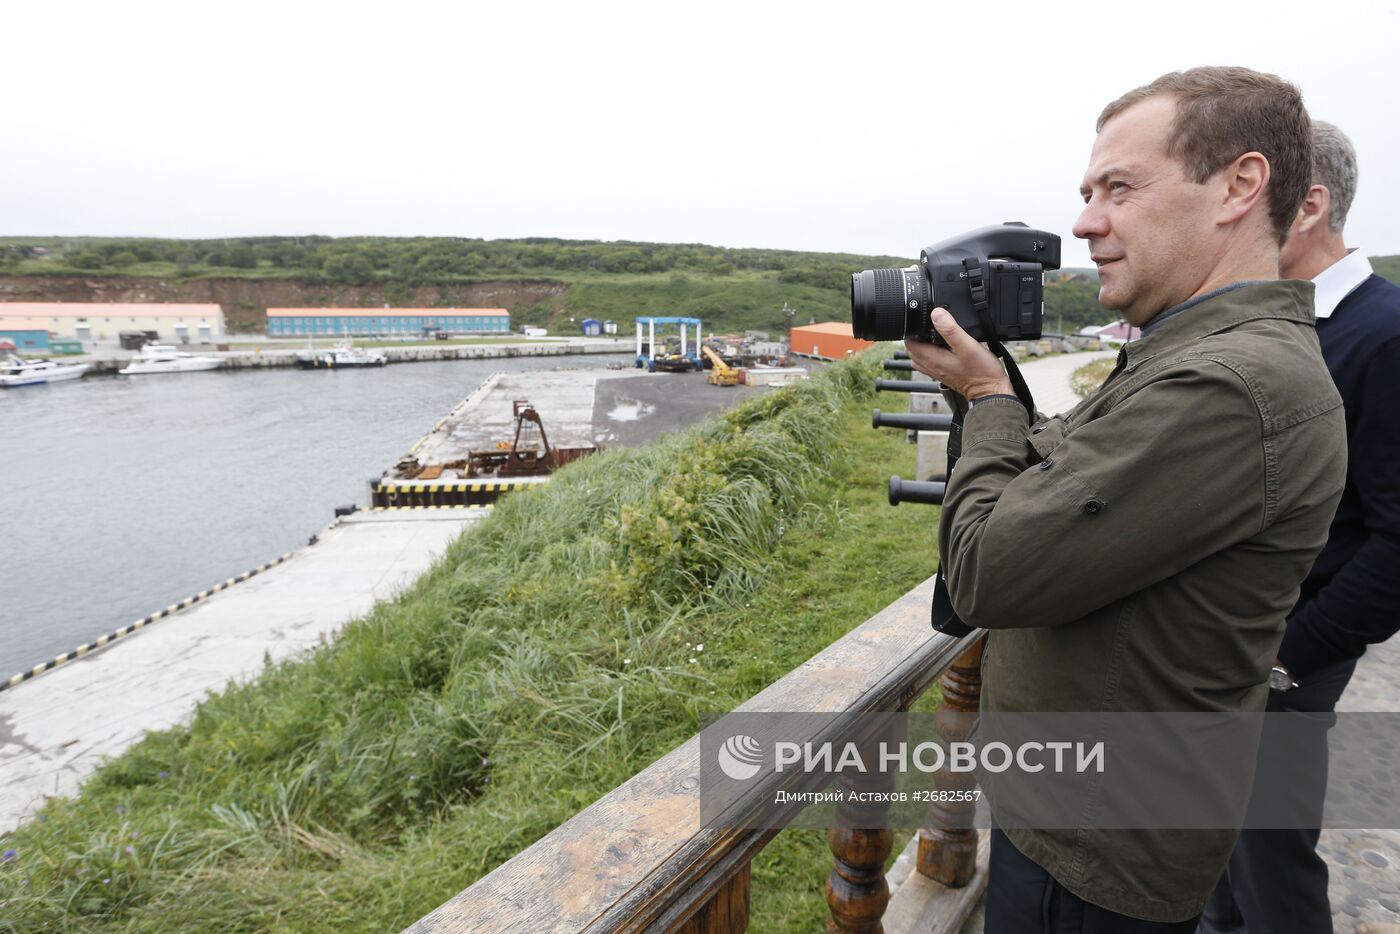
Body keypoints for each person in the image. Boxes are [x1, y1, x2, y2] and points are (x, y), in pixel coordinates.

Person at [905, 67, 1347, 932]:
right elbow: (1063, 495)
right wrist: (990, 397)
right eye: (1085, 192)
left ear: (1239, 186)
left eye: (1119, 188)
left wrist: (991, 402)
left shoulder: (1228, 386)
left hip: (1095, 854)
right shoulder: (1198, 354)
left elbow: (990, 570)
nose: (1085, 221)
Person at [1199, 122, 1400, 934]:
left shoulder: (1383, 335)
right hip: (1235, 642)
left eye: (1247, 199)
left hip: (1286, 650)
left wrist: (1290, 658)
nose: (1226, 221)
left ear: (1309, 204)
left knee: (1270, 863)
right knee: (1211, 853)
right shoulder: (1286, 321)